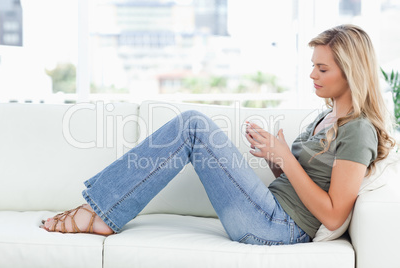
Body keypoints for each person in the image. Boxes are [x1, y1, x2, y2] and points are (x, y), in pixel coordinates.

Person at [41, 24, 395, 245]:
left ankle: (102, 212)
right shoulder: (326, 115)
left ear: (350, 72)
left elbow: (334, 215)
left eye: (322, 68)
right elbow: (301, 182)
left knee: (194, 124)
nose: (312, 75)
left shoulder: (359, 130)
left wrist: (286, 158)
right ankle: (102, 210)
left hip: (277, 226)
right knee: (193, 125)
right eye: (312, 66)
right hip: (269, 210)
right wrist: (276, 159)